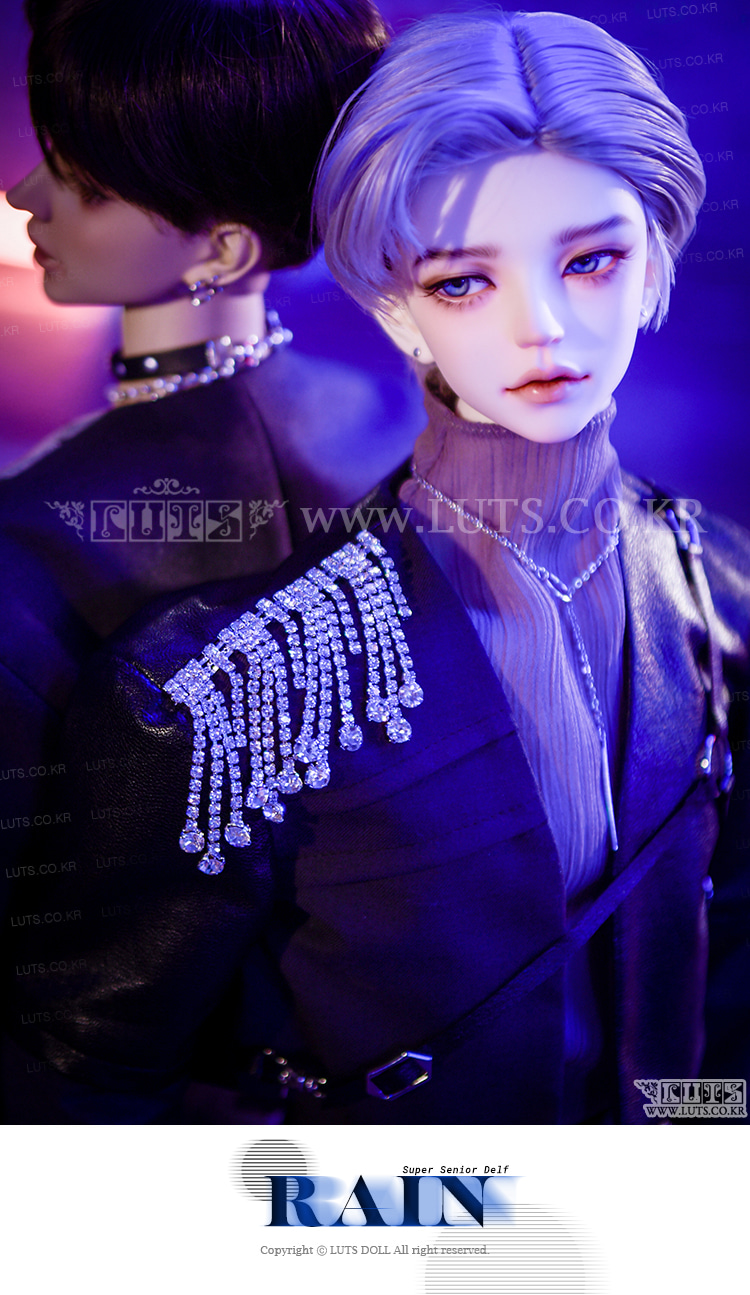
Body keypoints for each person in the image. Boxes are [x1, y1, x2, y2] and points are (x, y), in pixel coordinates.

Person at [8, 10, 750, 1124]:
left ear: (654, 262)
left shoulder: (723, 594)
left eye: (592, 259)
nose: (546, 328)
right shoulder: (223, 684)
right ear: (393, 302)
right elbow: (89, 1087)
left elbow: (722, 1005)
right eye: (461, 283)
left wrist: (687, 1181)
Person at [0, 0, 419, 891]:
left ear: (223, 250)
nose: (23, 194)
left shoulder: (31, 534)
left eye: (86, 185)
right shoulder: (402, 425)